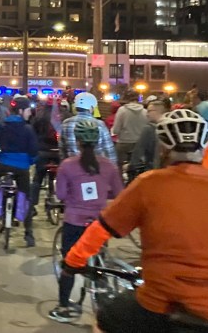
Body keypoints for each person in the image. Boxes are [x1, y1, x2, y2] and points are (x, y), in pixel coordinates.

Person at [63, 109, 208, 332]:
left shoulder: (149, 183)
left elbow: (101, 230)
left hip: (161, 302)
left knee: (105, 320)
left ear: (164, 148)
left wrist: (72, 262)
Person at [48, 120, 123, 323]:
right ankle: (102, 300)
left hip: (74, 221)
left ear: (78, 141)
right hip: (100, 223)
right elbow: (118, 193)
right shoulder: (108, 166)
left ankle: (63, 306)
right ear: (98, 140)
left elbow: (61, 194)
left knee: (69, 265)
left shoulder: (67, 165)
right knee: (100, 260)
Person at [0, 95, 38, 247]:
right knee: (26, 198)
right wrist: (29, 161)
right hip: (22, 169)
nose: (30, 113)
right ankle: (28, 234)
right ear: (21, 111)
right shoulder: (28, 129)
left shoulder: (1, 125)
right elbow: (34, 151)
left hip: (3, 164)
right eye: (28, 110)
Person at [60, 92, 117, 163]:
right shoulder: (99, 124)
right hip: (95, 167)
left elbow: (62, 149)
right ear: (92, 108)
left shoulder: (66, 123)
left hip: (71, 168)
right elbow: (109, 150)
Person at [30, 102, 60, 207]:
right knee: (61, 176)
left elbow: (33, 132)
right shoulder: (64, 115)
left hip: (42, 151)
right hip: (59, 152)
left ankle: (32, 205)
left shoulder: (39, 116)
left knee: (38, 178)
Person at [129, 99, 169, 172]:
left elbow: (138, 151)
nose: (147, 114)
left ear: (157, 111)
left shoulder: (148, 129)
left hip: (151, 171)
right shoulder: (170, 128)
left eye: (149, 111)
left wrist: (132, 166)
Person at [111, 91, 149, 167]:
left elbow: (116, 130)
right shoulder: (145, 112)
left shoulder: (122, 110)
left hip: (123, 143)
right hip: (139, 144)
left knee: (120, 167)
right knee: (138, 166)